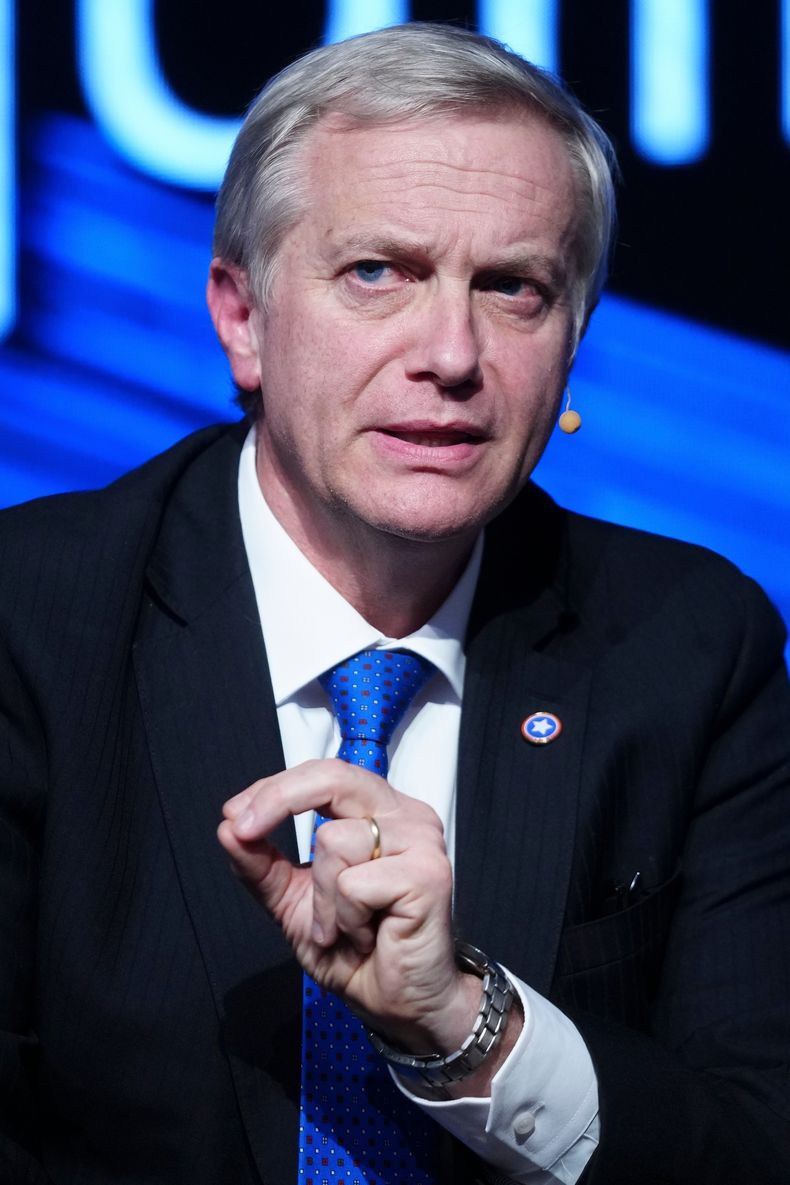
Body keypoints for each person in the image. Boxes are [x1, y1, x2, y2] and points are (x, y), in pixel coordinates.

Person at [0, 21, 788, 1185]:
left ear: (572, 348)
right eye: (380, 272)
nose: (452, 354)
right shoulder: (30, 617)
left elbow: (753, 1147)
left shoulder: (688, 648)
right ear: (241, 315)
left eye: (514, 288)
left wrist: (468, 1022)